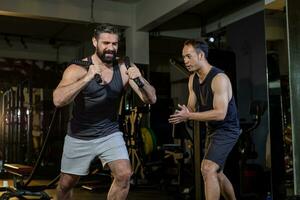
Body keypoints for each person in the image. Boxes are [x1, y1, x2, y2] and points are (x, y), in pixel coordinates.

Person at [53, 23, 157, 200]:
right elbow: (58, 100)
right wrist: (87, 78)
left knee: (124, 175)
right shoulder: (78, 68)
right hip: (80, 135)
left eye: (114, 44)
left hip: (109, 132)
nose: (110, 48)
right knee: (65, 184)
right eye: (105, 43)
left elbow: (151, 99)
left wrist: (138, 78)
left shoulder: (124, 68)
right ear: (95, 42)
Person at [169, 39, 240, 200]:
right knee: (217, 173)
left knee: (207, 168)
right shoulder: (193, 79)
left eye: (189, 56)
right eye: (183, 57)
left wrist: (190, 115)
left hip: (227, 129)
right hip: (212, 129)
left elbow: (220, 113)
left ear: (201, 55)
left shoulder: (219, 78)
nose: (185, 61)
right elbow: (192, 107)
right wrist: (184, 113)